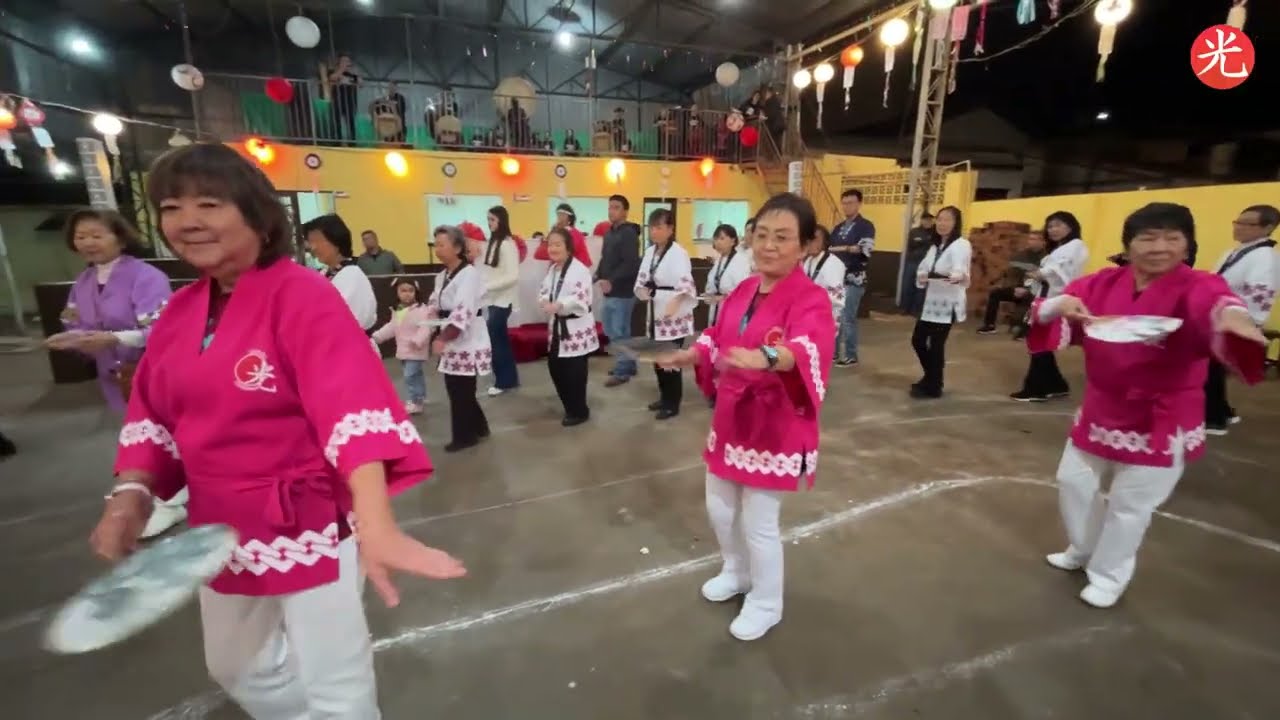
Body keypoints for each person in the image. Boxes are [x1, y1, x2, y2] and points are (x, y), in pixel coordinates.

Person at [91, 142, 465, 719]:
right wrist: (132, 494)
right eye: (170, 207)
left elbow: (350, 410)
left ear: (257, 216)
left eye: (208, 204)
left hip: (305, 518)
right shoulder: (180, 311)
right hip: (216, 526)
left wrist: (376, 522)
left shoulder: (303, 295)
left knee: (335, 680)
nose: (187, 222)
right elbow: (151, 415)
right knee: (238, 666)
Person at [1028, 202, 1266, 609]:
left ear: (1188, 244)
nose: (1160, 247)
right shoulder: (1103, 282)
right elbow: (1051, 308)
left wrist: (1235, 320)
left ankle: (1110, 574)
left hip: (1163, 414)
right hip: (1103, 406)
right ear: (1129, 244)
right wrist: (1059, 305)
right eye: (1148, 237)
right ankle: (1084, 548)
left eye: (1173, 238)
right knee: (1073, 481)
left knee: (1130, 504)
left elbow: (1221, 303)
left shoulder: (1198, 285)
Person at [657, 192, 835, 641]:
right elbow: (717, 336)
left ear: (805, 245)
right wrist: (690, 355)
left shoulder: (810, 298)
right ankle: (735, 573)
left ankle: (766, 601)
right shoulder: (743, 288)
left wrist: (769, 357)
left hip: (774, 424)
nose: (769, 246)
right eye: (762, 235)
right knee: (719, 509)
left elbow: (809, 346)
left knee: (759, 522)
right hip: (732, 417)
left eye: (782, 237)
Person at [46, 208, 184, 538]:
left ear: (120, 238)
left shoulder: (147, 277)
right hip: (113, 373)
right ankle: (154, 492)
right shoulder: (83, 282)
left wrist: (114, 338)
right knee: (134, 433)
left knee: (163, 433)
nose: (88, 243)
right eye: (81, 237)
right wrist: (73, 339)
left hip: (150, 369)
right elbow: (74, 320)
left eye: (97, 235)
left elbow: (163, 329)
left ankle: (171, 500)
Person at [1204, 204, 1278, 435]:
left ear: (1268, 227)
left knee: (1210, 369)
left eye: (1248, 223)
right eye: (1238, 221)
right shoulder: (1235, 251)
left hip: (1235, 318)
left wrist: (1246, 321)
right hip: (1218, 313)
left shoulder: (1266, 257)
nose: (1239, 227)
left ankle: (1214, 419)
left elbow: (1261, 294)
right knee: (1212, 368)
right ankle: (1225, 411)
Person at [427, 225, 492, 452]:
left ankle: (465, 437)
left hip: (467, 335)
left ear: (456, 248)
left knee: (461, 387)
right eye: (436, 244)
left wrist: (444, 337)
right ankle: (479, 427)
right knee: (457, 386)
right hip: (451, 331)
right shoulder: (442, 275)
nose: (437, 249)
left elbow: (463, 311)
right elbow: (435, 303)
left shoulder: (469, 274)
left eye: (442, 244)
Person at [1012, 212, 1088, 401]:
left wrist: (1041, 273)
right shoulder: (1060, 248)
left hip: (1054, 301)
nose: (1053, 230)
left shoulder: (1075, 246)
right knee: (1040, 343)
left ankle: (1037, 389)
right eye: (1050, 226)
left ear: (1070, 226)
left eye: (1058, 225)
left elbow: (1061, 272)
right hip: (1045, 299)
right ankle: (1056, 384)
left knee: (1039, 343)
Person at [635, 208, 696, 420]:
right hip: (655, 308)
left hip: (673, 310)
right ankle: (664, 396)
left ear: (670, 229)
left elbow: (686, 284)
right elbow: (643, 277)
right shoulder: (651, 252)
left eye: (659, 227)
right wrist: (643, 289)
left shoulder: (678, 253)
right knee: (657, 357)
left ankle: (672, 402)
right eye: (652, 227)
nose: (654, 231)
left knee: (670, 358)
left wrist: (675, 303)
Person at [539, 228, 598, 426]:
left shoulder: (579, 269)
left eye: (558, 244)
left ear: (568, 248)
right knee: (555, 367)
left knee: (575, 373)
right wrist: (546, 301)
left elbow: (581, 297)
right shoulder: (553, 270)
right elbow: (544, 290)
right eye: (550, 244)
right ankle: (569, 407)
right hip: (557, 326)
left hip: (575, 327)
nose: (553, 248)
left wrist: (560, 304)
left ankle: (579, 410)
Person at [911, 206, 971, 399]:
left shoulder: (961, 244)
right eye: (940, 219)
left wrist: (952, 276)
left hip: (948, 302)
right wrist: (922, 275)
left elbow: (960, 271)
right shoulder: (935, 246)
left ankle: (933, 385)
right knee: (918, 340)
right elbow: (924, 267)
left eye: (947, 220)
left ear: (956, 223)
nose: (942, 224)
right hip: (932, 301)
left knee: (936, 345)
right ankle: (932, 377)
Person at [596, 195, 642, 388]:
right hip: (608, 290)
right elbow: (604, 258)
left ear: (625, 211)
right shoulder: (609, 233)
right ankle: (629, 363)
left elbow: (630, 264)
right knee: (610, 330)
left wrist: (611, 280)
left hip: (623, 291)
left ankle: (622, 370)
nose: (611, 211)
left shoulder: (629, 234)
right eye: (610, 207)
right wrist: (598, 275)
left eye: (616, 208)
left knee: (619, 332)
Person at [302, 214, 377, 331]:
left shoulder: (351, 275)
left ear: (336, 240)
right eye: (311, 242)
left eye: (318, 241)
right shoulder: (325, 273)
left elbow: (337, 319)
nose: (313, 247)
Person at [371, 278, 432, 414]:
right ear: (397, 292)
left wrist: (417, 340)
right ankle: (420, 396)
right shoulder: (398, 309)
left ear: (416, 292)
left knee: (410, 375)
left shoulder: (422, 310)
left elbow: (426, 328)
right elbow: (393, 326)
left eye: (411, 290)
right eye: (403, 290)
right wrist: (377, 336)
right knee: (416, 374)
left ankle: (415, 401)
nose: (407, 294)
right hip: (403, 349)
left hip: (416, 349)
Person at [829, 188, 875, 366]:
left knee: (848, 317)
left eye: (851, 203)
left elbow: (864, 249)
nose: (847, 206)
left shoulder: (866, 226)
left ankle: (850, 354)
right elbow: (828, 248)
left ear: (859, 204)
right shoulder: (838, 228)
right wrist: (848, 247)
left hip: (854, 277)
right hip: (836, 278)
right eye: (845, 203)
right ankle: (833, 352)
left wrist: (842, 248)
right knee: (834, 316)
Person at [481, 206, 521, 396]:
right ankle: (509, 379)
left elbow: (513, 276)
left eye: (493, 220)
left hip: (504, 300)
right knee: (500, 341)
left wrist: (488, 286)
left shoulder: (507, 244)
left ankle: (503, 382)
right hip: (494, 299)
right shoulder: (493, 242)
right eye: (488, 220)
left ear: (502, 221)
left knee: (496, 342)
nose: (490, 224)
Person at [976, 232, 1046, 334]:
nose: (1031, 241)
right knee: (995, 293)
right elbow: (1011, 274)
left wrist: (1027, 289)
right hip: (1018, 289)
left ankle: (1024, 331)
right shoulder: (1020, 256)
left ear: (1043, 242)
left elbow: (1044, 279)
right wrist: (1015, 288)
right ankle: (989, 326)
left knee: (1031, 297)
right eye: (1030, 239)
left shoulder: (1047, 258)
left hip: (1035, 291)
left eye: (1035, 239)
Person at [705, 224, 752, 327]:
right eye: (716, 238)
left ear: (733, 241)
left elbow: (744, 291)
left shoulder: (741, 260)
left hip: (733, 310)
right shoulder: (719, 260)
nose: (718, 242)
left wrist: (722, 298)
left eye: (722, 238)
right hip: (717, 308)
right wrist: (709, 294)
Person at [803, 225, 846, 323]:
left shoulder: (833, 263)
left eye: (815, 239)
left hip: (826, 318)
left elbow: (838, 296)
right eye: (808, 239)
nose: (810, 243)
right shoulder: (809, 260)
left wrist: (812, 297)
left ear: (824, 243)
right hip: (810, 315)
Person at [900, 212, 934, 315]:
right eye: (926, 219)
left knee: (921, 287)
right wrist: (924, 242)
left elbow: (932, 245)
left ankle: (917, 310)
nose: (928, 222)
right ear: (922, 220)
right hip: (912, 262)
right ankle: (906, 308)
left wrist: (922, 242)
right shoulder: (914, 232)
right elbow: (911, 244)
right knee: (908, 285)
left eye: (930, 220)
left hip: (926, 264)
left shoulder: (935, 233)